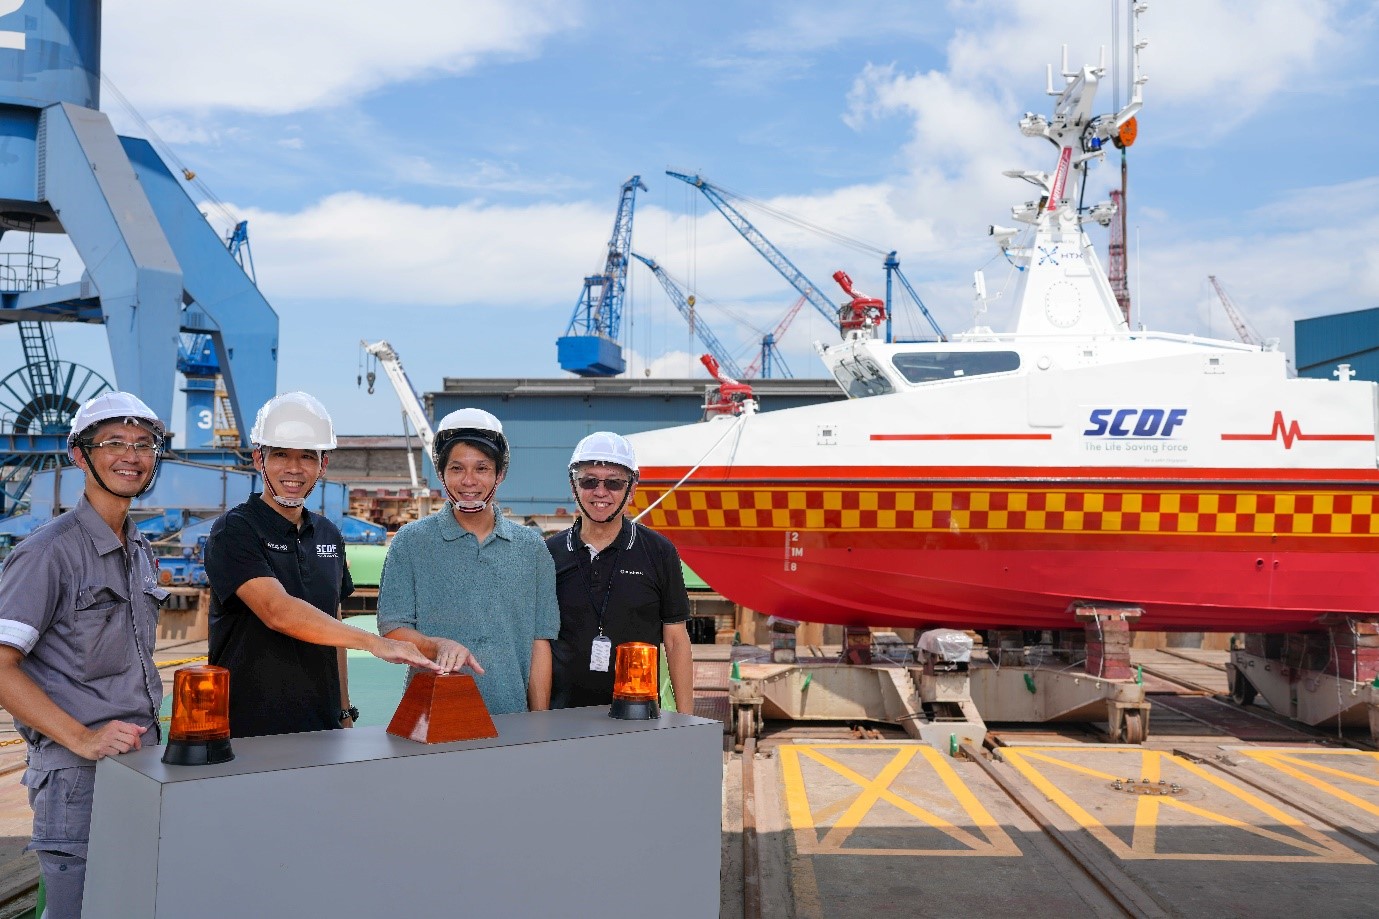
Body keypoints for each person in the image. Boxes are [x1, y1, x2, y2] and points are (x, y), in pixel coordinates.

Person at [0, 392, 169, 918]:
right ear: (80, 455)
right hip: (77, 779)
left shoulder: (139, 549)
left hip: (140, 765)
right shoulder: (48, 553)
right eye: (114, 442)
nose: (131, 455)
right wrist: (82, 736)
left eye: (143, 444)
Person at [206, 392, 439, 738]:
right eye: (281, 455)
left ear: (323, 465)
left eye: (307, 457)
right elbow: (277, 611)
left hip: (322, 724)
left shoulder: (328, 533)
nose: (294, 469)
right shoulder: (235, 530)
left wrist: (343, 710)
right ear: (259, 458)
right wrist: (375, 642)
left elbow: (334, 623)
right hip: (247, 726)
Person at [377, 408, 558, 714]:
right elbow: (393, 629)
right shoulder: (411, 542)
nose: (469, 481)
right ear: (441, 474)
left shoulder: (532, 548)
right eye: (457, 468)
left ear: (500, 474)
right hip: (431, 716)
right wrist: (438, 645)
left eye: (482, 468)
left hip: (510, 716)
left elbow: (539, 643)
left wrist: (538, 723)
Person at [546, 432, 693, 712]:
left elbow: (675, 641)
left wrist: (687, 721)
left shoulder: (659, 552)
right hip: (562, 719)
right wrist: (538, 720)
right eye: (589, 481)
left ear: (632, 488)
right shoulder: (549, 554)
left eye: (614, 483)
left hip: (637, 719)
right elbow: (539, 644)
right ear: (573, 486)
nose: (600, 493)